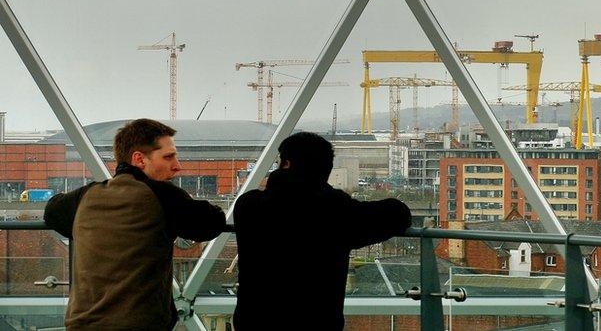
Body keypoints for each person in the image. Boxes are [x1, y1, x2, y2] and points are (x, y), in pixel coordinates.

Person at [44, 118, 226, 331]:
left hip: (81, 324)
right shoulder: (162, 197)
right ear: (139, 159)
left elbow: (52, 211)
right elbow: (212, 223)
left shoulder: (85, 197)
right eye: (168, 157)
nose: (177, 166)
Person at [233, 131, 412, 330]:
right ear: (325, 171)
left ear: (285, 164)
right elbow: (398, 214)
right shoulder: (336, 211)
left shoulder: (248, 207)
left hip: (254, 322)